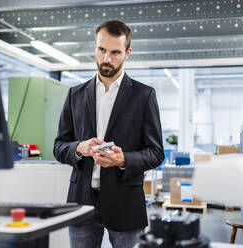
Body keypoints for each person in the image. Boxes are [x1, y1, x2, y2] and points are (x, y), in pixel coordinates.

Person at [54, 19, 164, 248]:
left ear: (127, 53)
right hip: (81, 201)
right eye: (102, 50)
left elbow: (156, 152)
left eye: (115, 52)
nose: (106, 59)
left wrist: (123, 159)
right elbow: (59, 146)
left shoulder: (144, 96)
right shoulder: (75, 94)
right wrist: (78, 148)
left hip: (126, 203)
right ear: (94, 46)